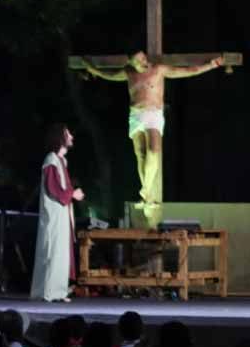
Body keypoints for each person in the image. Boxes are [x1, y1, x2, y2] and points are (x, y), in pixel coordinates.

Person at [80, 52, 222, 221]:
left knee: (154, 152)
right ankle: (147, 197)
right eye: (140, 61)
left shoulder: (158, 69)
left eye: (144, 58)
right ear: (132, 62)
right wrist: (90, 68)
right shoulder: (129, 72)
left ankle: (145, 192)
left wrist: (210, 65)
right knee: (140, 155)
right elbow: (107, 75)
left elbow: (187, 70)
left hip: (153, 114)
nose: (144, 62)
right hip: (135, 115)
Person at [30, 123, 84, 302]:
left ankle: (58, 290)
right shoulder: (51, 159)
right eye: (68, 134)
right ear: (60, 137)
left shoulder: (61, 160)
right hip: (53, 214)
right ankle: (48, 291)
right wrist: (72, 194)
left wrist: (71, 194)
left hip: (61, 213)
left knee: (60, 252)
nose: (71, 137)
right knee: (52, 251)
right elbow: (53, 189)